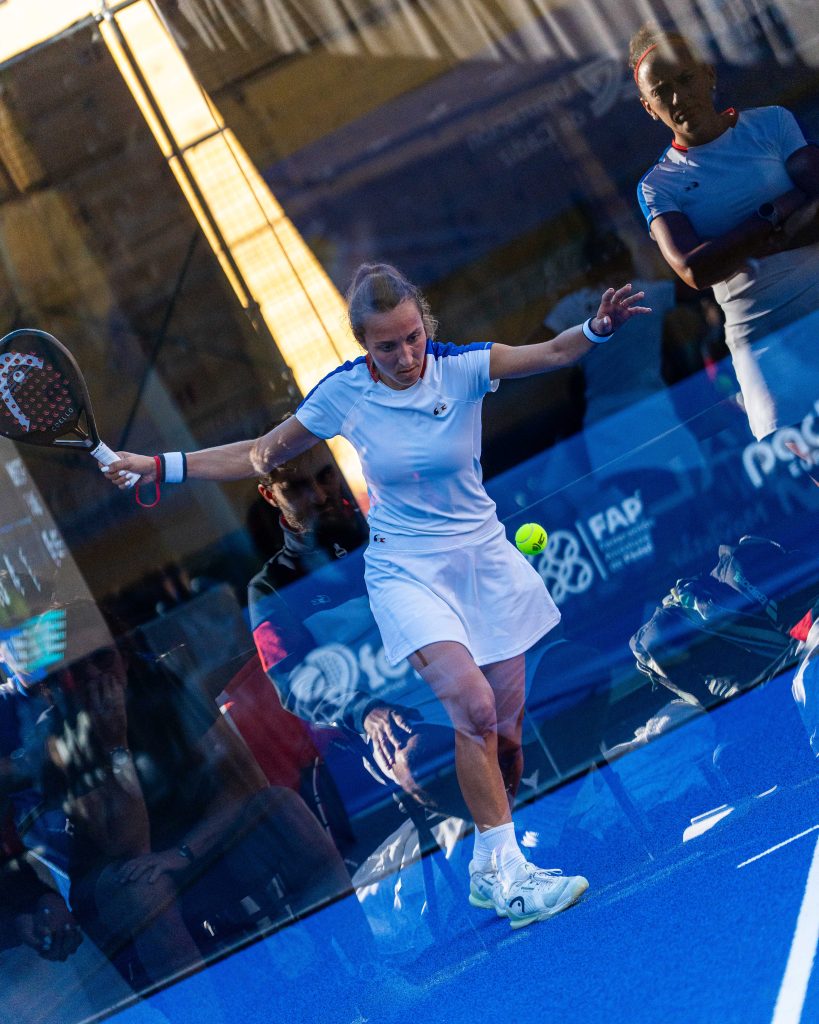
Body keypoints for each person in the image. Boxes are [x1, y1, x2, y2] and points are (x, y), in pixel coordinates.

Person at [103, 262, 650, 928]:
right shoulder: (345, 393)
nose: (405, 356)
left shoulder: (462, 367)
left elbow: (554, 352)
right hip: (405, 571)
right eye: (386, 346)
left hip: (484, 561)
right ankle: (512, 879)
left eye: (413, 337)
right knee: (474, 707)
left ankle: (489, 863)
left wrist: (596, 328)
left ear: (425, 325)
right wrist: (157, 466)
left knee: (502, 730)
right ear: (363, 345)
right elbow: (258, 454)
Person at [630, 25, 819, 452]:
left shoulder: (771, 123)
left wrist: (739, 246)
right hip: (767, 348)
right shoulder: (658, 186)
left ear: (709, 74)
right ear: (648, 107)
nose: (678, 97)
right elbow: (695, 269)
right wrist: (777, 212)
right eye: (661, 91)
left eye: (685, 79)